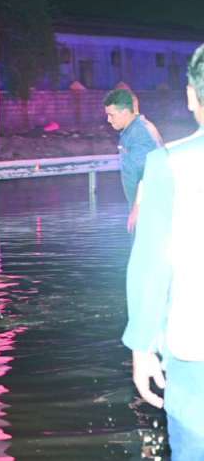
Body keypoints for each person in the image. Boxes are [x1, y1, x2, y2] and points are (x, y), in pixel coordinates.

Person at [122, 43, 204, 459]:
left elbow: (151, 265)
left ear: (191, 95)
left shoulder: (168, 163)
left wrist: (142, 344)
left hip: (195, 347)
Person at [103, 89, 163, 232]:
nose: (108, 119)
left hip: (148, 210)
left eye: (111, 115)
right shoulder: (133, 130)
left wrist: (137, 207)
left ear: (124, 112)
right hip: (144, 208)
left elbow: (148, 173)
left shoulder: (139, 133)